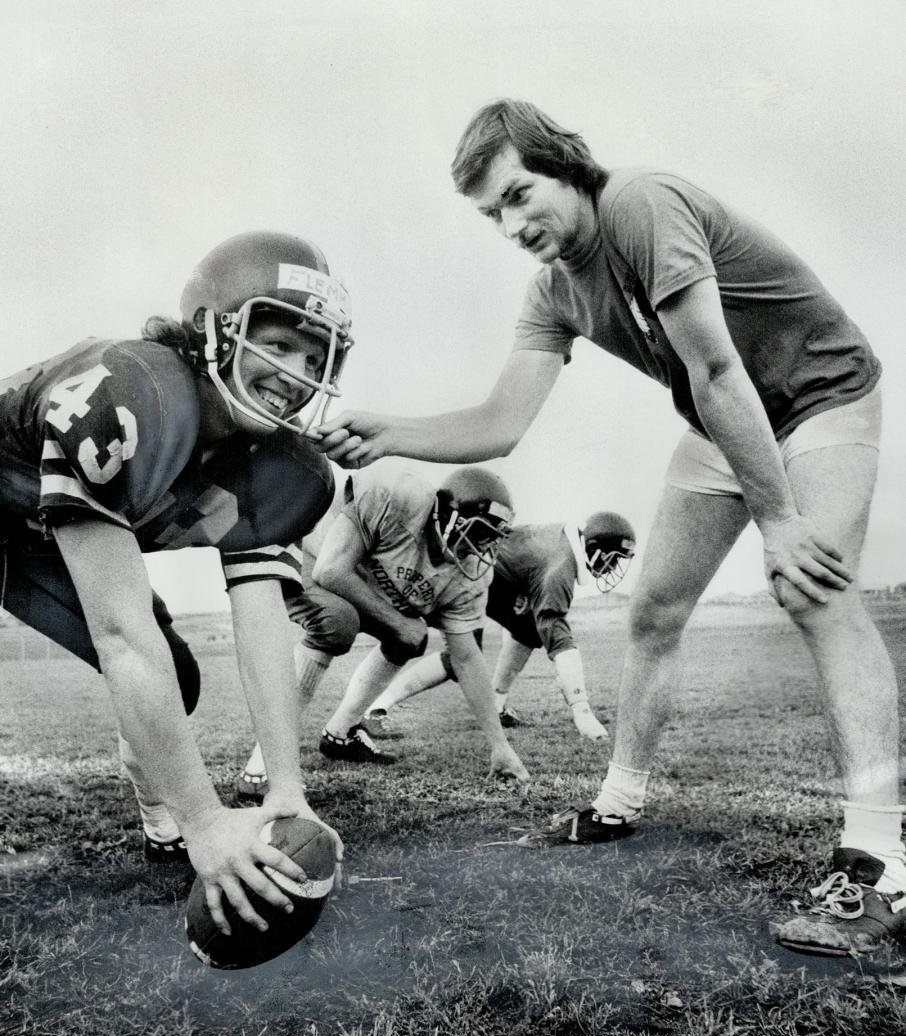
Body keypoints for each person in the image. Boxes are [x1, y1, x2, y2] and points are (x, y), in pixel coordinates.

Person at [313, 99, 903, 957]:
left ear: (568, 165)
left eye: (519, 195)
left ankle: (881, 858)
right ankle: (619, 799)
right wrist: (388, 432)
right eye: (491, 215)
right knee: (653, 610)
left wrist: (777, 518)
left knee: (813, 589)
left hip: (818, 394)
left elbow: (712, 362)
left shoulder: (638, 202)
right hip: (723, 418)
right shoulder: (552, 290)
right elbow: (502, 421)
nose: (511, 224)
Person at [0, 230, 351, 936]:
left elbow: (261, 622)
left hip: (37, 536)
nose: (296, 372)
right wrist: (208, 821)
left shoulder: (279, 468)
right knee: (140, 654)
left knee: (177, 681)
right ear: (210, 328)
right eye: (279, 345)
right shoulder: (135, 394)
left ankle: (156, 814)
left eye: (315, 358)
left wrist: (287, 785)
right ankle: (178, 817)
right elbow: (122, 636)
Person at [235, 461, 529, 801]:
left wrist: (500, 746)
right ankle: (261, 769)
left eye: (491, 539)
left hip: (352, 575)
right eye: (479, 533)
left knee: (408, 640)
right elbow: (331, 571)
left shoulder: (468, 576)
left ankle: (340, 733)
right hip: (306, 550)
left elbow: (466, 657)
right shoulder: (397, 495)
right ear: (449, 514)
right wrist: (399, 622)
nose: (480, 548)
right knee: (336, 623)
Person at [363, 511, 635, 743]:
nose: (613, 568)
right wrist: (581, 709)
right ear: (594, 548)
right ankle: (376, 709)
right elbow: (559, 639)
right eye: (613, 558)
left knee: (529, 630)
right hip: (467, 577)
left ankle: (496, 703)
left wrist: (520, 592)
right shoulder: (560, 566)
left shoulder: (560, 543)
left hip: (488, 577)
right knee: (462, 658)